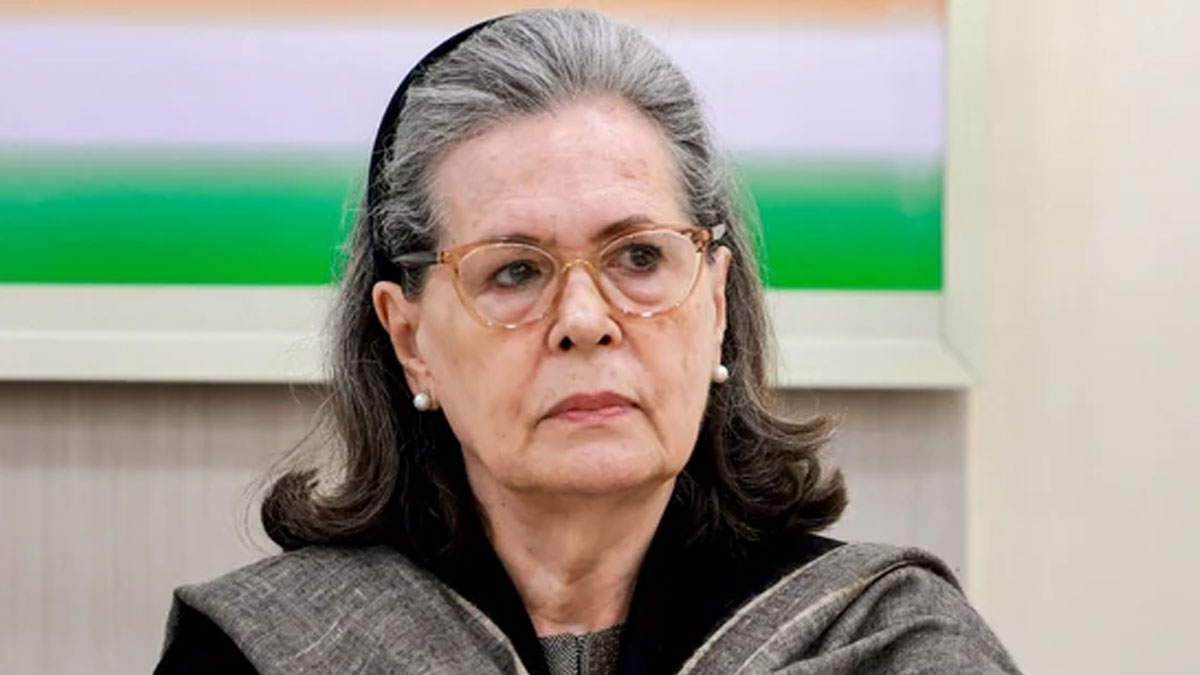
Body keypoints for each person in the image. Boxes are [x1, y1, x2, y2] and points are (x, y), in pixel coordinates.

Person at [153, 9, 1021, 675]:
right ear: (410, 338)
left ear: (716, 303)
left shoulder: (886, 640)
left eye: (639, 256)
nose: (584, 318)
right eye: (514, 270)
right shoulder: (263, 654)